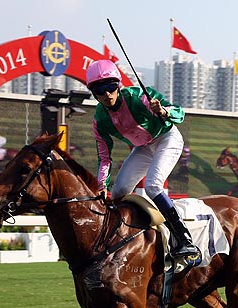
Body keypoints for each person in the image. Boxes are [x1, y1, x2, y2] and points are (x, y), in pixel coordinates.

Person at [86, 59, 201, 266]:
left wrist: (163, 112)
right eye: (100, 91)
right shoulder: (100, 119)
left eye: (111, 87)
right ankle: (125, 237)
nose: (107, 94)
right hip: (143, 148)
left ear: (118, 85)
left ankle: (185, 239)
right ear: (94, 93)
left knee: (153, 186)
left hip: (167, 138)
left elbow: (180, 113)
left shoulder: (139, 97)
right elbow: (104, 157)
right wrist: (101, 185)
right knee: (119, 191)